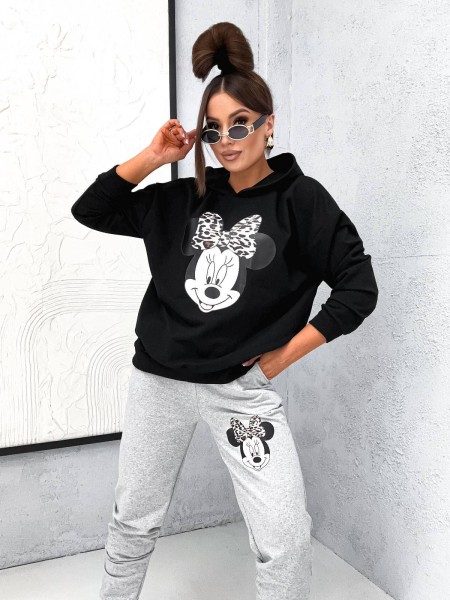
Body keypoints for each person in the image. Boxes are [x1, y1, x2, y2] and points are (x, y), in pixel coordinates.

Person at [71, 21, 378, 600]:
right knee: (133, 521)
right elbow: (91, 209)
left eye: (241, 124)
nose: (227, 140)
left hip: (240, 393)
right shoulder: (181, 198)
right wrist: (155, 156)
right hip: (158, 382)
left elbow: (359, 288)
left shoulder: (301, 201)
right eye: (213, 130)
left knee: (285, 539)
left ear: (269, 124)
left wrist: (278, 360)